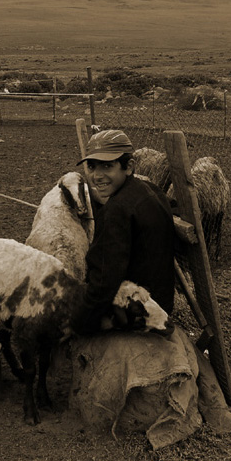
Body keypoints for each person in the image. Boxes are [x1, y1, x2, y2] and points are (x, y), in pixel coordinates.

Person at [69, 129, 176, 336]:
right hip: (161, 298)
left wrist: (78, 324)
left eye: (107, 166)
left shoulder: (117, 210)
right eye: (91, 167)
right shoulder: (151, 190)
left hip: (138, 308)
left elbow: (103, 282)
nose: (97, 176)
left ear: (129, 167)